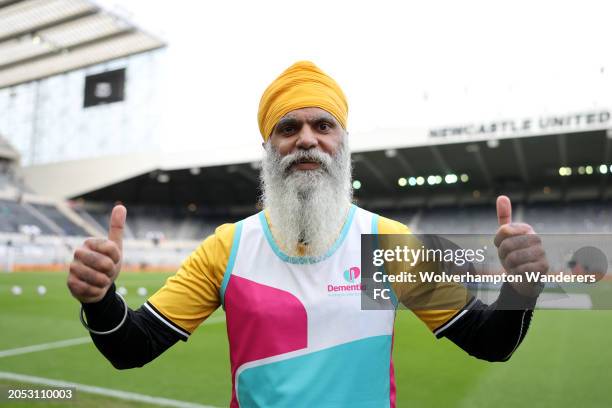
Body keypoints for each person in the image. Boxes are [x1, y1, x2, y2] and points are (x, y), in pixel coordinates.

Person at [67, 61, 549, 407]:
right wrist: (99, 299)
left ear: (342, 143)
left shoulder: (387, 241)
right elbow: (133, 347)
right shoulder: (227, 246)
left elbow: (490, 342)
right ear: (267, 146)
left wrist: (521, 287)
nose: (306, 138)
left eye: (324, 125)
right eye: (287, 127)